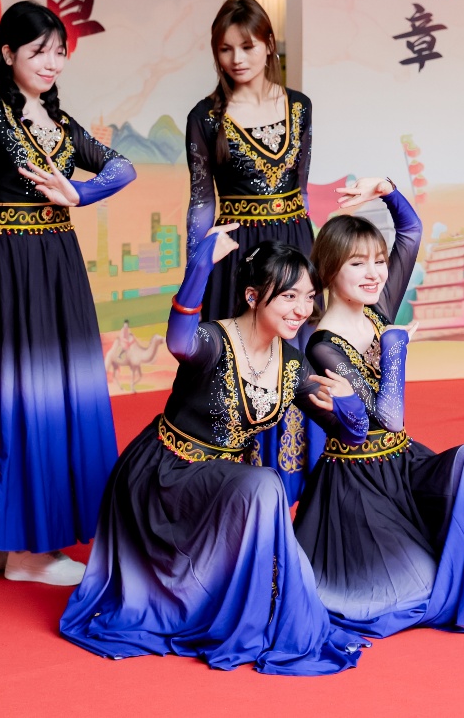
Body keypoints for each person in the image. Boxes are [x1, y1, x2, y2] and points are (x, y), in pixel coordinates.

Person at [61, 227, 373, 675]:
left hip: (222, 489)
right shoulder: (213, 340)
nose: (302, 310)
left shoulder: (291, 364)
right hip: (165, 478)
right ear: (252, 296)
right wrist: (199, 268)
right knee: (265, 483)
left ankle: (260, 612)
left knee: (262, 485)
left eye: (308, 298)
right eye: (289, 297)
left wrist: (349, 404)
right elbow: (178, 341)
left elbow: (351, 436)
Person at [0, 0, 137, 585]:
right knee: (19, 395)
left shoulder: (63, 125)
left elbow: (123, 168)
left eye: (59, 52)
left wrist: (80, 193)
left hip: (54, 262)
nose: (51, 63)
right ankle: (25, 554)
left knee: (44, 394)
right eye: (38, 52)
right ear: (7, 56)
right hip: (4, 262)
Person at [295, 178, 464, 638]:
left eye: (379, 261)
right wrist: (395, 347)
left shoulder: (376, 310)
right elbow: (385, 418)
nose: (375, 273)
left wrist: (386, 190)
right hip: (359, 486)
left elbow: (411, 232)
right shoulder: (322, 345)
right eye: (358, 263)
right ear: (330, 270)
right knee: (412, 589)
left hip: (401, 462)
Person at [185, 0, 320, 498]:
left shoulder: (300, 106)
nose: (237, 58)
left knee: (297, 361)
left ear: (268, 44)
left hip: (294, 244)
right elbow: (201, 203)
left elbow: (301, 189)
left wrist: (312, 266)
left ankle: (293, 488)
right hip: (238, 257)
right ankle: (238, 493)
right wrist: (197, 270)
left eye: (246, 46)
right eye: (225, 49)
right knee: (238, 366)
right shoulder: (206, 117)